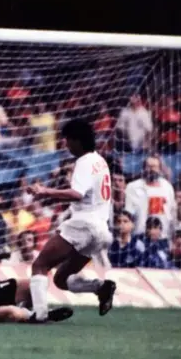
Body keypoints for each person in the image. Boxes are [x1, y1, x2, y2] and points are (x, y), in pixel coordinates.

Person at [28, 118, 116, 323]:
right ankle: (100, 287)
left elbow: (77, 194)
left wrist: (44, 191)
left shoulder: (84, 162)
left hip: (83, 225)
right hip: (102, 230)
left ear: (77, 141)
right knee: (60, 279)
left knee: (40, 265)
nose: (65, 144)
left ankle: (39, 315)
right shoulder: (100, 160)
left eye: (67, 139)